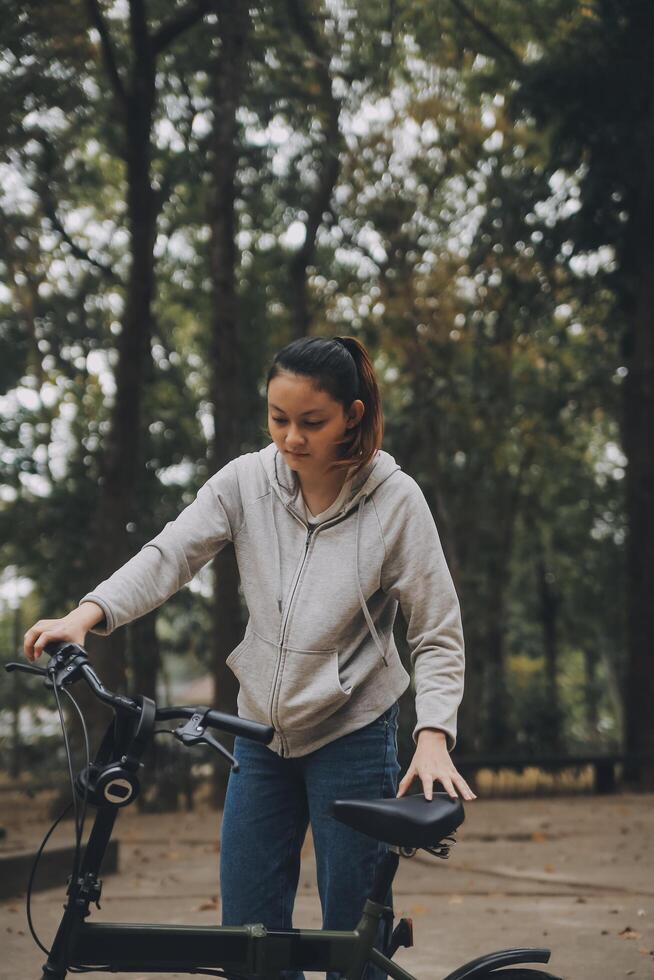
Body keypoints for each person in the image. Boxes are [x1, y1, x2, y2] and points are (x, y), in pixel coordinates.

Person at [24, 335, 475, 980]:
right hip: (260, 736)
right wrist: (85, 617)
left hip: (352, 733)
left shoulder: (395, 501)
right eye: (278, 418)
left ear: (352, 413)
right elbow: (169, 554)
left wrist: (433, 734)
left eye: (311, 422)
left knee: (353, 939)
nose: (291, 438)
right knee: (248, 937)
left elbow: (436, 629)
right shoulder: (246, 482)